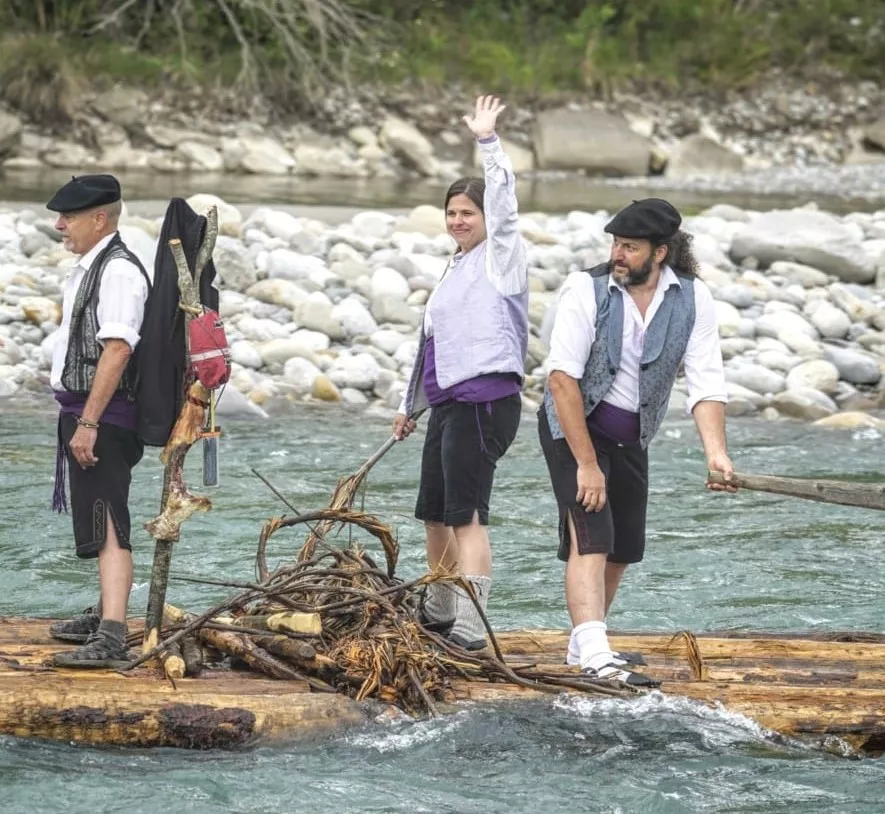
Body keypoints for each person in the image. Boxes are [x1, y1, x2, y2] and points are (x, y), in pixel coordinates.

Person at [539, 198, 736, 685]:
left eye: (629, 246)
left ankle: (581, 643)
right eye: (615, 244)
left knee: (623, 546)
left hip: (632, 435)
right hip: (574, 424)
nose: (617, 254)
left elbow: (706, 380)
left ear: (661, 252)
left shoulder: (692, 298)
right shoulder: (584, 289)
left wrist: (716, 452)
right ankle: (596, 656)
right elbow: (562, 380)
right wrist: (587, 464)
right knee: (592, 533)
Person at [393, 95, 529, 650]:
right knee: (434, 512)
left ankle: (472, 628)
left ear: (486, 219)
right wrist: (409, 407)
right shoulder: (454, 267)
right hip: (447, 402)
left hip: (486, 402)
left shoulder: (503, 256)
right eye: (451, 213)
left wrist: (487, 142)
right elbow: (430, 344)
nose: (457, 220)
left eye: (467, 213)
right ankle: (439, 609)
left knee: (467, 515)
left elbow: (505, 201)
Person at [46, 174, 151, 668]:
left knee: (109, 520)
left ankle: (112, 634)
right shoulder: (91, 267)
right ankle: (104, 614)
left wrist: (88, 423)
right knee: (97, 515)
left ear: (100, 218)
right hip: (89, 412)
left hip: (104, 416)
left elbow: (118, 348)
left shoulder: (118, 272)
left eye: (68, 218)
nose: (61, 226)